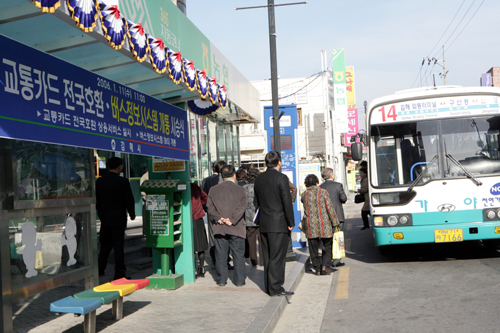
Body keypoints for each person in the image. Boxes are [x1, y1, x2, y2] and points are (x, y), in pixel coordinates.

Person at [254, 151, 295, 297]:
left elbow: (256, 202)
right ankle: (276, 287)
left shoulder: (259, 179)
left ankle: (269, 286)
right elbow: (286, 201)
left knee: (268, 255)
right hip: (278, 223)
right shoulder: (281, 178)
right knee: (277, 256)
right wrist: (291, 221)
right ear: (279, 162)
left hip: (264, 222)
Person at [207, 165, 247, 287]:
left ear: (221, 175)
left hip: (220, 227)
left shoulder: (213, 189)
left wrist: (219, 219)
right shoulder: (241, 189)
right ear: (234, 175)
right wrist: (233, 219)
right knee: (238, 255)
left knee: (220, 254)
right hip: (236, 227)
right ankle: (239, 281)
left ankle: (221, 280)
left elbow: (210, 207)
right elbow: (242, 207)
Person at [96, 157, 136, 279]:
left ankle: (99, 269)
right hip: (118, 219)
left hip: (105, 219)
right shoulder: (122, 182)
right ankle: (119, 273)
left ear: (108, 167)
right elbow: (129, 199)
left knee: (105, 245)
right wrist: (132, 214)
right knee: (118, 246)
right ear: (119, 167)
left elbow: (97, 200)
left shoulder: (100, 181)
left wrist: (101, 214)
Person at [301, 174, 339, 275]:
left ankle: (317, 269)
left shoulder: (304, 194)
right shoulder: (323, 192)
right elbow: (329, 208)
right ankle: (326, 265)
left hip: (311, 225)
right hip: (324, 224)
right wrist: (335, 222)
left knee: (313, 248)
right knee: (327, 245)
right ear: (317, 183)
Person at [320, 167, 347, 267]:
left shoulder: (321, 187)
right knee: (338, 238)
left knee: (327, 239)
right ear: (331, 175)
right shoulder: (338, 185)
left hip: (325, 217)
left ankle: (327, 259)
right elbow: (343, 199)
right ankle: (336, 261)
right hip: (338, 216)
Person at [201, 160, 227, 266]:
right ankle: (225, 258)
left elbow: (203, 196)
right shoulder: (226, 180)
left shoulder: (207, 180)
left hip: (212, 212)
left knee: (212, 235)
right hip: (225, 211)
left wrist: (206, 209)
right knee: (225, 234)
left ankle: (214, 257)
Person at [243, 168, 264, 266]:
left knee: (251, 240)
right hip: (260, 215)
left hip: (248, 216)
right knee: (262, 240)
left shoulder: (244, 188)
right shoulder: (261, 186)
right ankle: (263, 261)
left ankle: (253, 261)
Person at [191, 182, 209, 278]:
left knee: (192, 247)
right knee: (201, 245)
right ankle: (201, 267)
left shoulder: (181, 188)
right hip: (198, 218)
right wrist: (199, 205)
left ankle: (194, 268)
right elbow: (205, 197)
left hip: (188, 219)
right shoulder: (195, 187)